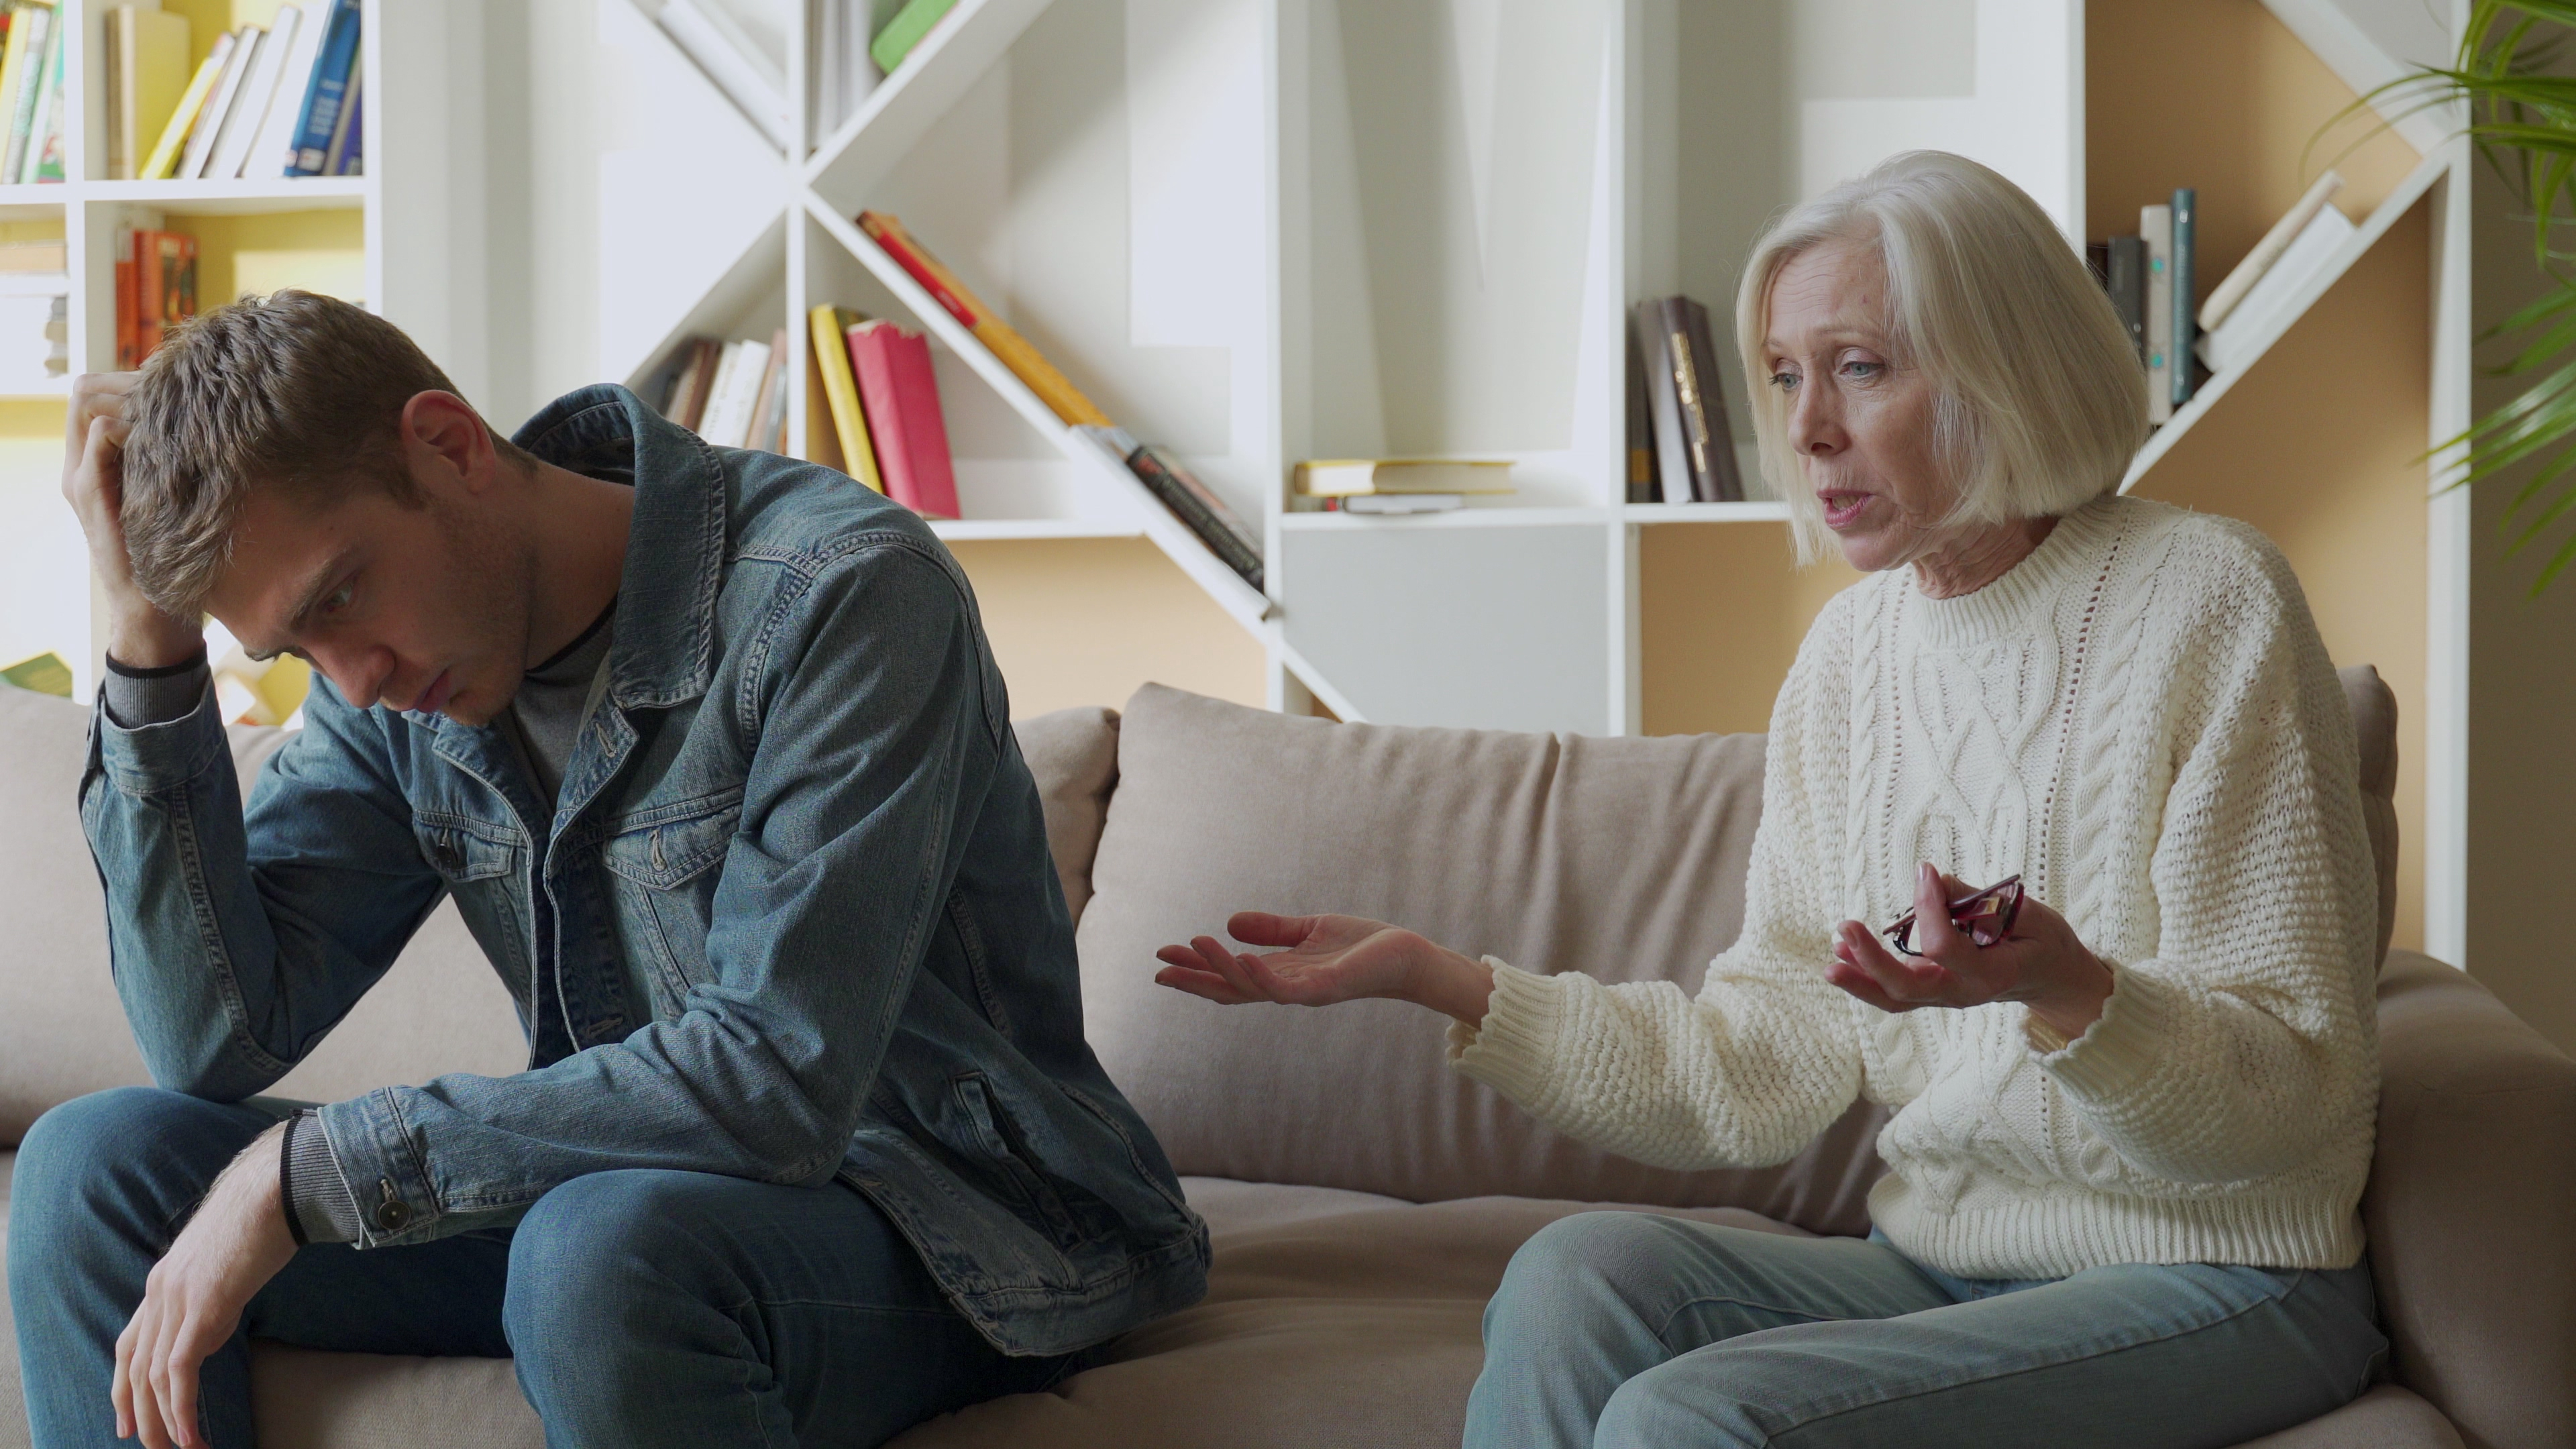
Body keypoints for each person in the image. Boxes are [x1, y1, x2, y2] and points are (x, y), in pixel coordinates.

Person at [1152, 150, 2387, 1448]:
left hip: (2223, 1279)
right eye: (1787, 375)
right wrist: (1445, 980)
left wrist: (2070, 991)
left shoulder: (2210, 600)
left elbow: (2294, 1092)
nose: (1803, 432)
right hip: (1948, 1265)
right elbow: (1757, 1068)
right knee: (1579, 1275)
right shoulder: (1850, 661)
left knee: (1704, 1418)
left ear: (2002, 365)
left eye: (1860, 366)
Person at [7, 291, 1206, 1449]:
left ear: (447, 444)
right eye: (296, 645)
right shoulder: (391, 687)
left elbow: (775, 1081)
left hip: (963, 1223)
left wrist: (308, 1168)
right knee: (92, 1172)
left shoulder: (841, 593)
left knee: (598, 1250)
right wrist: (144, 641)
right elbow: (210, 1038)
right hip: (625, 1206)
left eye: (342, 592)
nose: (351, 674)